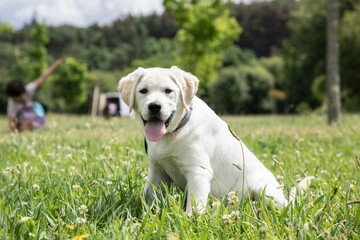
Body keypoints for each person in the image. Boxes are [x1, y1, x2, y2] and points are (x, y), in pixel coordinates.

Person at [5, 59, 63, 131]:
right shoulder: (12, 103)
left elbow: (43, 77)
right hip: (22, 118)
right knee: (23, 117)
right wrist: (15, 127)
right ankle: (30, 126)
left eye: (21, 96)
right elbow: (11, 121)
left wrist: (55, 65)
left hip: (33, 112)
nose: (20, 98)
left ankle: (38, 124)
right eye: (18, 98)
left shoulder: (28, 89)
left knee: (37, 105)